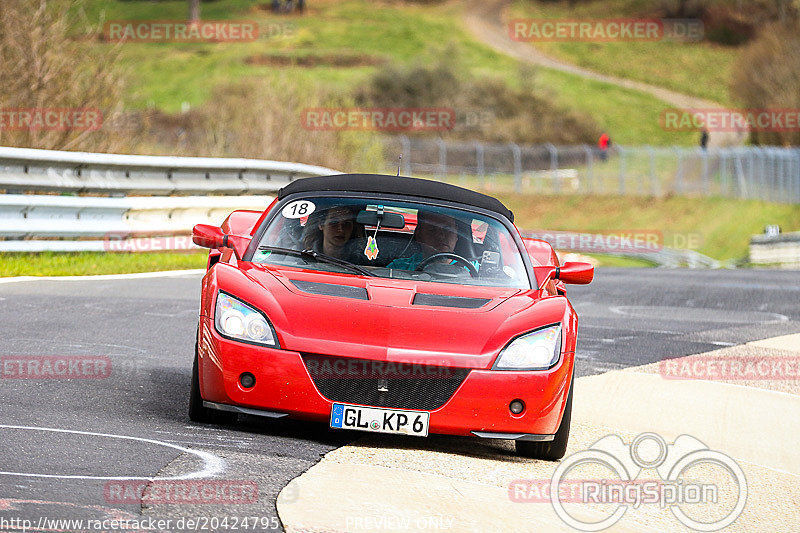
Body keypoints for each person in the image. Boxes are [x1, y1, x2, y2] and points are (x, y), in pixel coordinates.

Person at [387, 210, 477, 271]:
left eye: (447, 229)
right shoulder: (399, 268)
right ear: (419, 235)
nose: (441, 235)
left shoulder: (476, 269)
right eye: (432, 229)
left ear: (456, 235)